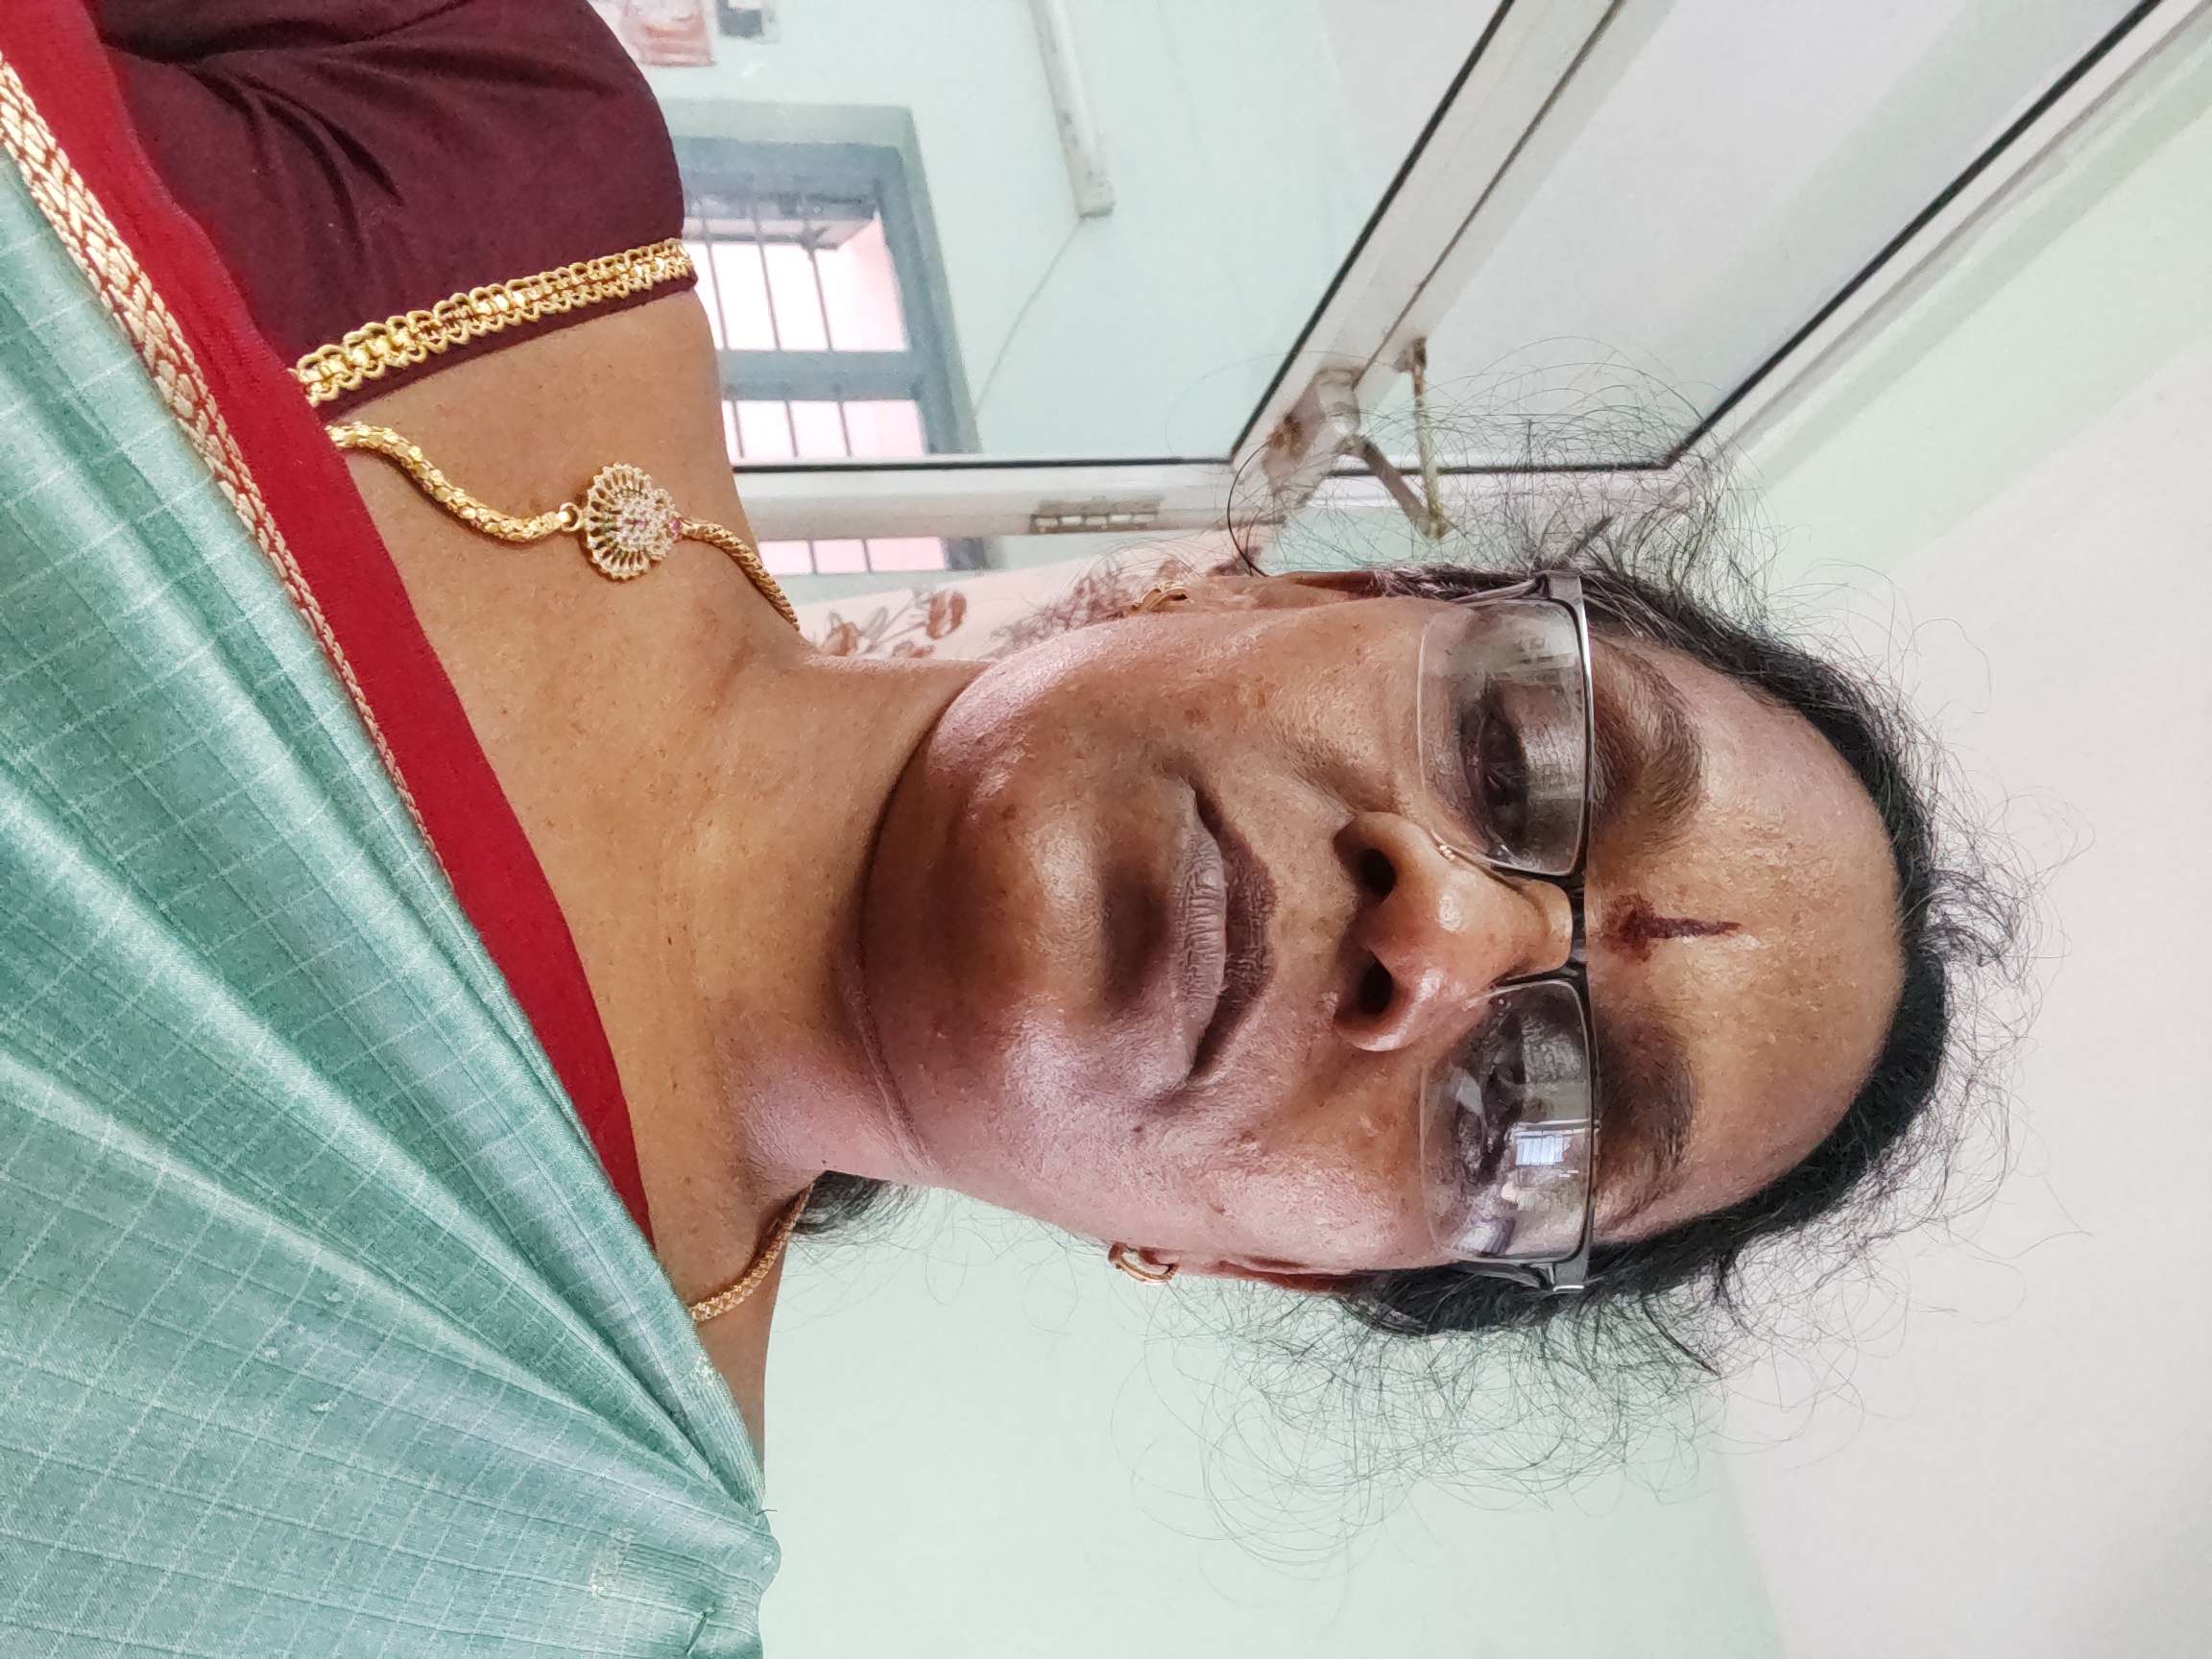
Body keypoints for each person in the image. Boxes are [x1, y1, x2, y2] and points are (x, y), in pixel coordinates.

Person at [0, 3, 1989, 1653]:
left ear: (1269, 1266)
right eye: (1522, 754)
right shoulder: (492, 128)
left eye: (1529, 1116)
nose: (1443, 936)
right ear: (1288, 591)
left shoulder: (547, 1585)